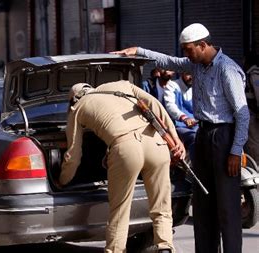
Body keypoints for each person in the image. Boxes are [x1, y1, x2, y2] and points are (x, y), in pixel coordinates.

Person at [112, 23, 249, 253]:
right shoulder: (195, 65)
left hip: (224, 138)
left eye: (188, 49)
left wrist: (236, 150)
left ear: (203, 45)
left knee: (227, 207)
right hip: (203, 135)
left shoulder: (227, 70)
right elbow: (168, 61)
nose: (186, 55)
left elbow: (242, 113)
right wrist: (139, 51)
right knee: (203, 205)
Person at [59, 81, 185, 253]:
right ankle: (165, 246)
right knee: (162, 205)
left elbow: (73, 156)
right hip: (157, 144)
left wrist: (63, 180)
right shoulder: (122, 85)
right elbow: (155, 105)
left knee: (120, 209)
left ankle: (116, 250)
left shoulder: (78, 108)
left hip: (126, 149)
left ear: (74, 99)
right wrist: (175, 139)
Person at [163, 72, 197, 159]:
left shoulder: (196, 87)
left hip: (195, 125)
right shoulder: (172, 85)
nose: (191, 77)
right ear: (182, 73)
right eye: (188, 73)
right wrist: (184, 118)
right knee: (194, 137)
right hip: (178, 126)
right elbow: (170, 106)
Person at [244, 55, 259, 163]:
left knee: (254, 143)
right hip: (251, 112)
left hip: (253, 112)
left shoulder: (254, 73)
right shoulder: (253, 74)